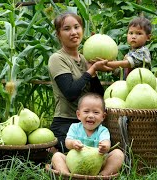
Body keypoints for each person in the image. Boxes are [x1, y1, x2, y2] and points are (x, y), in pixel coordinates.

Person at [48, 12, 113, 153]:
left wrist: (93, 74)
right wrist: (91, 70)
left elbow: (98, 97)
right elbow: (71, 93)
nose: (73, 32)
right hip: (65, 123)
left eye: (76, 27)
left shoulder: (85, 59)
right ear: (58, 34)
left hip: (90, 123)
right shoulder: (57, 58)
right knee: (81, 150)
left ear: (82, 30)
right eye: (67, 29)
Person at [51, 93, 124, 176]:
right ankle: (66, 174)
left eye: (96, 112)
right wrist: (73, 143)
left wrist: (104, 147)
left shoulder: (102, 130)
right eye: (86, 111)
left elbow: (106, 142)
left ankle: (102, 175)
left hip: (98, 164)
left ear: (103, 117)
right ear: (78, 115)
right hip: (75, 162)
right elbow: (67, 143)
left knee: (118, 154)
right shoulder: (74, 127)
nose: (91, 115)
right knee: (57, 156)